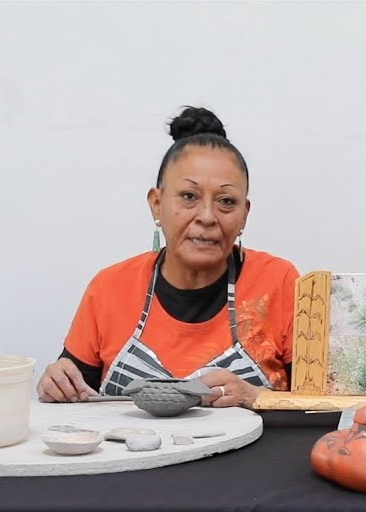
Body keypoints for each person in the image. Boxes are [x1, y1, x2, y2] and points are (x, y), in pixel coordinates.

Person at [37, 106, 299, 409]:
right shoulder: (110, 288)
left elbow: (322, 407)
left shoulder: (280, 282)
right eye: (189, 196)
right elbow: (72, 400)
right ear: (156, 204)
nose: (206, 216)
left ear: (244, 216)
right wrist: (57, 384)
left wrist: (258, 397)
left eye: (226, 202)